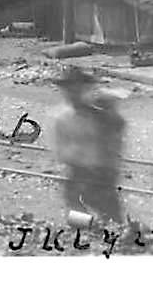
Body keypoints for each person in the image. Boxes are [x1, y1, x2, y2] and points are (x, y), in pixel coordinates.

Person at [52, 65, 125, 225]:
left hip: (101, 174)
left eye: (77, 88)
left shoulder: (100, 115)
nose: (73, 93)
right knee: (77, 217)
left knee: (112, 219)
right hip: (77, 172)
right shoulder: (62, 117)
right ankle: (87, 232)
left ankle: (107, 231)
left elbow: (117, 132)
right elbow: (61, 151)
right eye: (69, 89)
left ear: (84, 89)